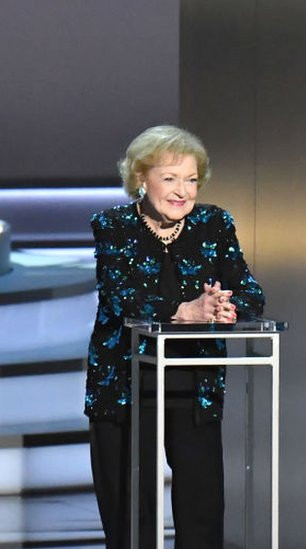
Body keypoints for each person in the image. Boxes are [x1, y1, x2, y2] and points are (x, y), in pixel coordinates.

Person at [86, 125, 265, 548]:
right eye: (170, 178)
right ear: (139, 179)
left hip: (193, 384)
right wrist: (182, 311)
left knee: (201, 510)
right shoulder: (112, 226)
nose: (182, 191)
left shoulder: (214, 223)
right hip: (126, 385)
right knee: (130, 514)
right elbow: (121, 297)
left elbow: (250, 290)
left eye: (191, 180)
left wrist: (227, 307)